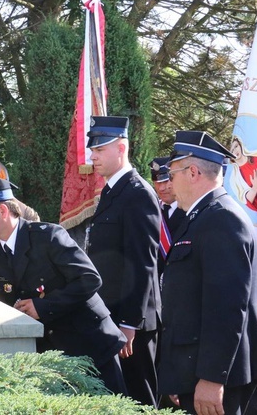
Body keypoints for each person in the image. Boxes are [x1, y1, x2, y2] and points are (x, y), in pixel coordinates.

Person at [0, 178, 128, 395]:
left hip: (91, 344)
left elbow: (89, 279)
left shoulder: (48, 236)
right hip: (53, 356)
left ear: (2, 210)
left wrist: (43, 306)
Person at [159, 130, 257, 415]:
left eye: (172, 175)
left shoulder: (221, 218)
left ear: (193, 172)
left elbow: (227, 308)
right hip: (192, 369)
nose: (168, 184)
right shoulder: (200, 217)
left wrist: (211, 378)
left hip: (212, 377)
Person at [85, 116, 161, 406]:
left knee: (138, 400)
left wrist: (130, 323)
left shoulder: (138, 193)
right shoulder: (112, 191)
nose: (93, 156)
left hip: (131, 322)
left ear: (121, 148)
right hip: (112, 315)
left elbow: (142, 262)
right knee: (117, 399)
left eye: (100, 150)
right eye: (93, 151)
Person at [150, 156, 186, 274]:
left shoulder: (188, 210)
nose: (161, 188)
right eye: (157, 182)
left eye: (165, 181)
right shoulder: (150, 211)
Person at [228, 135, 257, 212]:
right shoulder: (234, 178)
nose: (235, 151)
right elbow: (245, 201)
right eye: (231, 150)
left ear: (241, 145)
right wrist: (255, 187)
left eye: (236, 146)